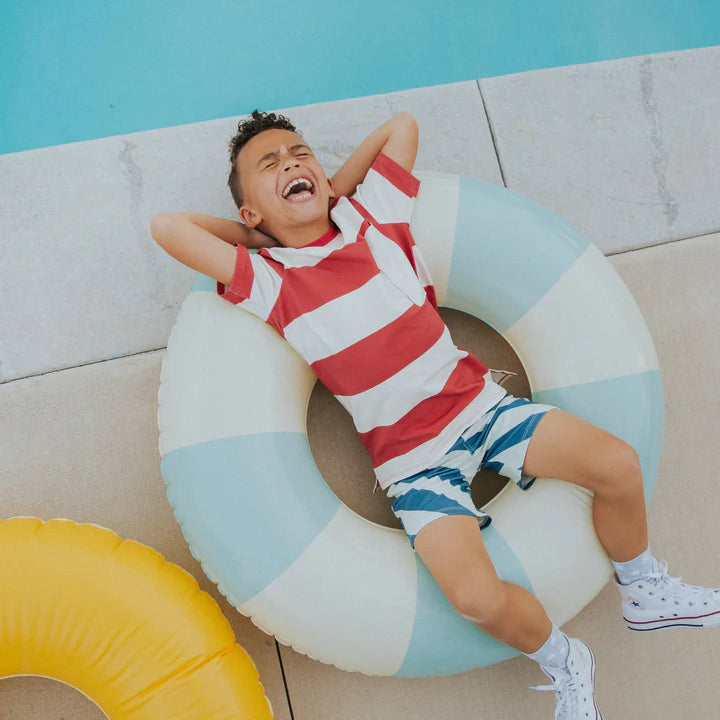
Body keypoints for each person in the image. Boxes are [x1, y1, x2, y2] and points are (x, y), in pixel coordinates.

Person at [151, 109, 720, 719]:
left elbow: (402, 126)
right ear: (251, 211)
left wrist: (337, 192)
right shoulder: (272, 280)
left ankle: (642, 587)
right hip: (412, 465)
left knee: (617, 463)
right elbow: (169, 226)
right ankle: (563, 660)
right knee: (474, 597)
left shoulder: (377, 218)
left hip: (481, 410)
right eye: (271, 165)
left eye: (300, 153)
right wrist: (260, 236)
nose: (292, 162)